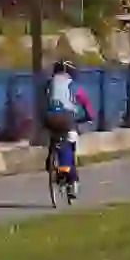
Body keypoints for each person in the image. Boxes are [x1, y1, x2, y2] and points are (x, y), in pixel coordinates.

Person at [42, 60, 93, 199]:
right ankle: (70, 177)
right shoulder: (73, 85)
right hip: (66, 118)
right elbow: (85, 103)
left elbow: (43, 101)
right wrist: (89, 117)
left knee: (55, 138)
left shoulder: (49, 83)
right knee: (69, 143)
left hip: (49, 118)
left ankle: (51, 162)